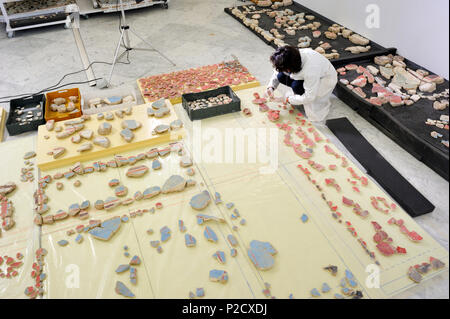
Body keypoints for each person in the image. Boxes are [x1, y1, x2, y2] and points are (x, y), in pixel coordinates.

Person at [266, 45, 338, 122]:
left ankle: (299, 95)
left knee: (298, 88)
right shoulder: (290, 56)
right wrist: (271, 87)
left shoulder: (311, 70)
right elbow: (277, 71)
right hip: (305, 73)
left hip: (324, 79)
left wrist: (287, 99)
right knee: (281, 76)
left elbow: (309, 97)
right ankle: (298, 95)